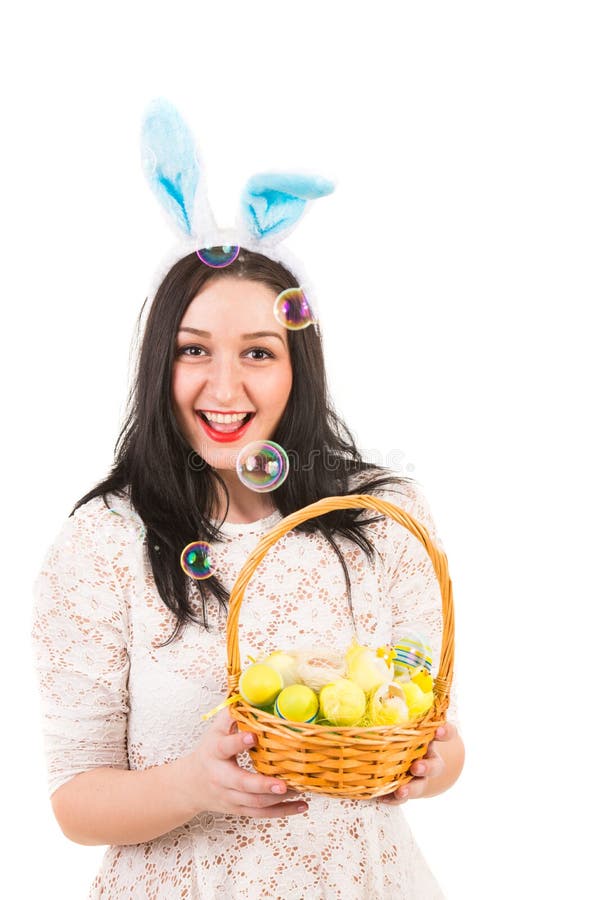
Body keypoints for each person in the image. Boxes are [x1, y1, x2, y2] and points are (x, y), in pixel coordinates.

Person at [31, 244, 464, 899]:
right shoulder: (104, 538)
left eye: (258, 352)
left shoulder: (382, 516)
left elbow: (442, 740)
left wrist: (426, 767)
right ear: (159, 364)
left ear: (298, 367)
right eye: (193, 349)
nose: (224, 388)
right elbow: (76, 802)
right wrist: (193, 785)